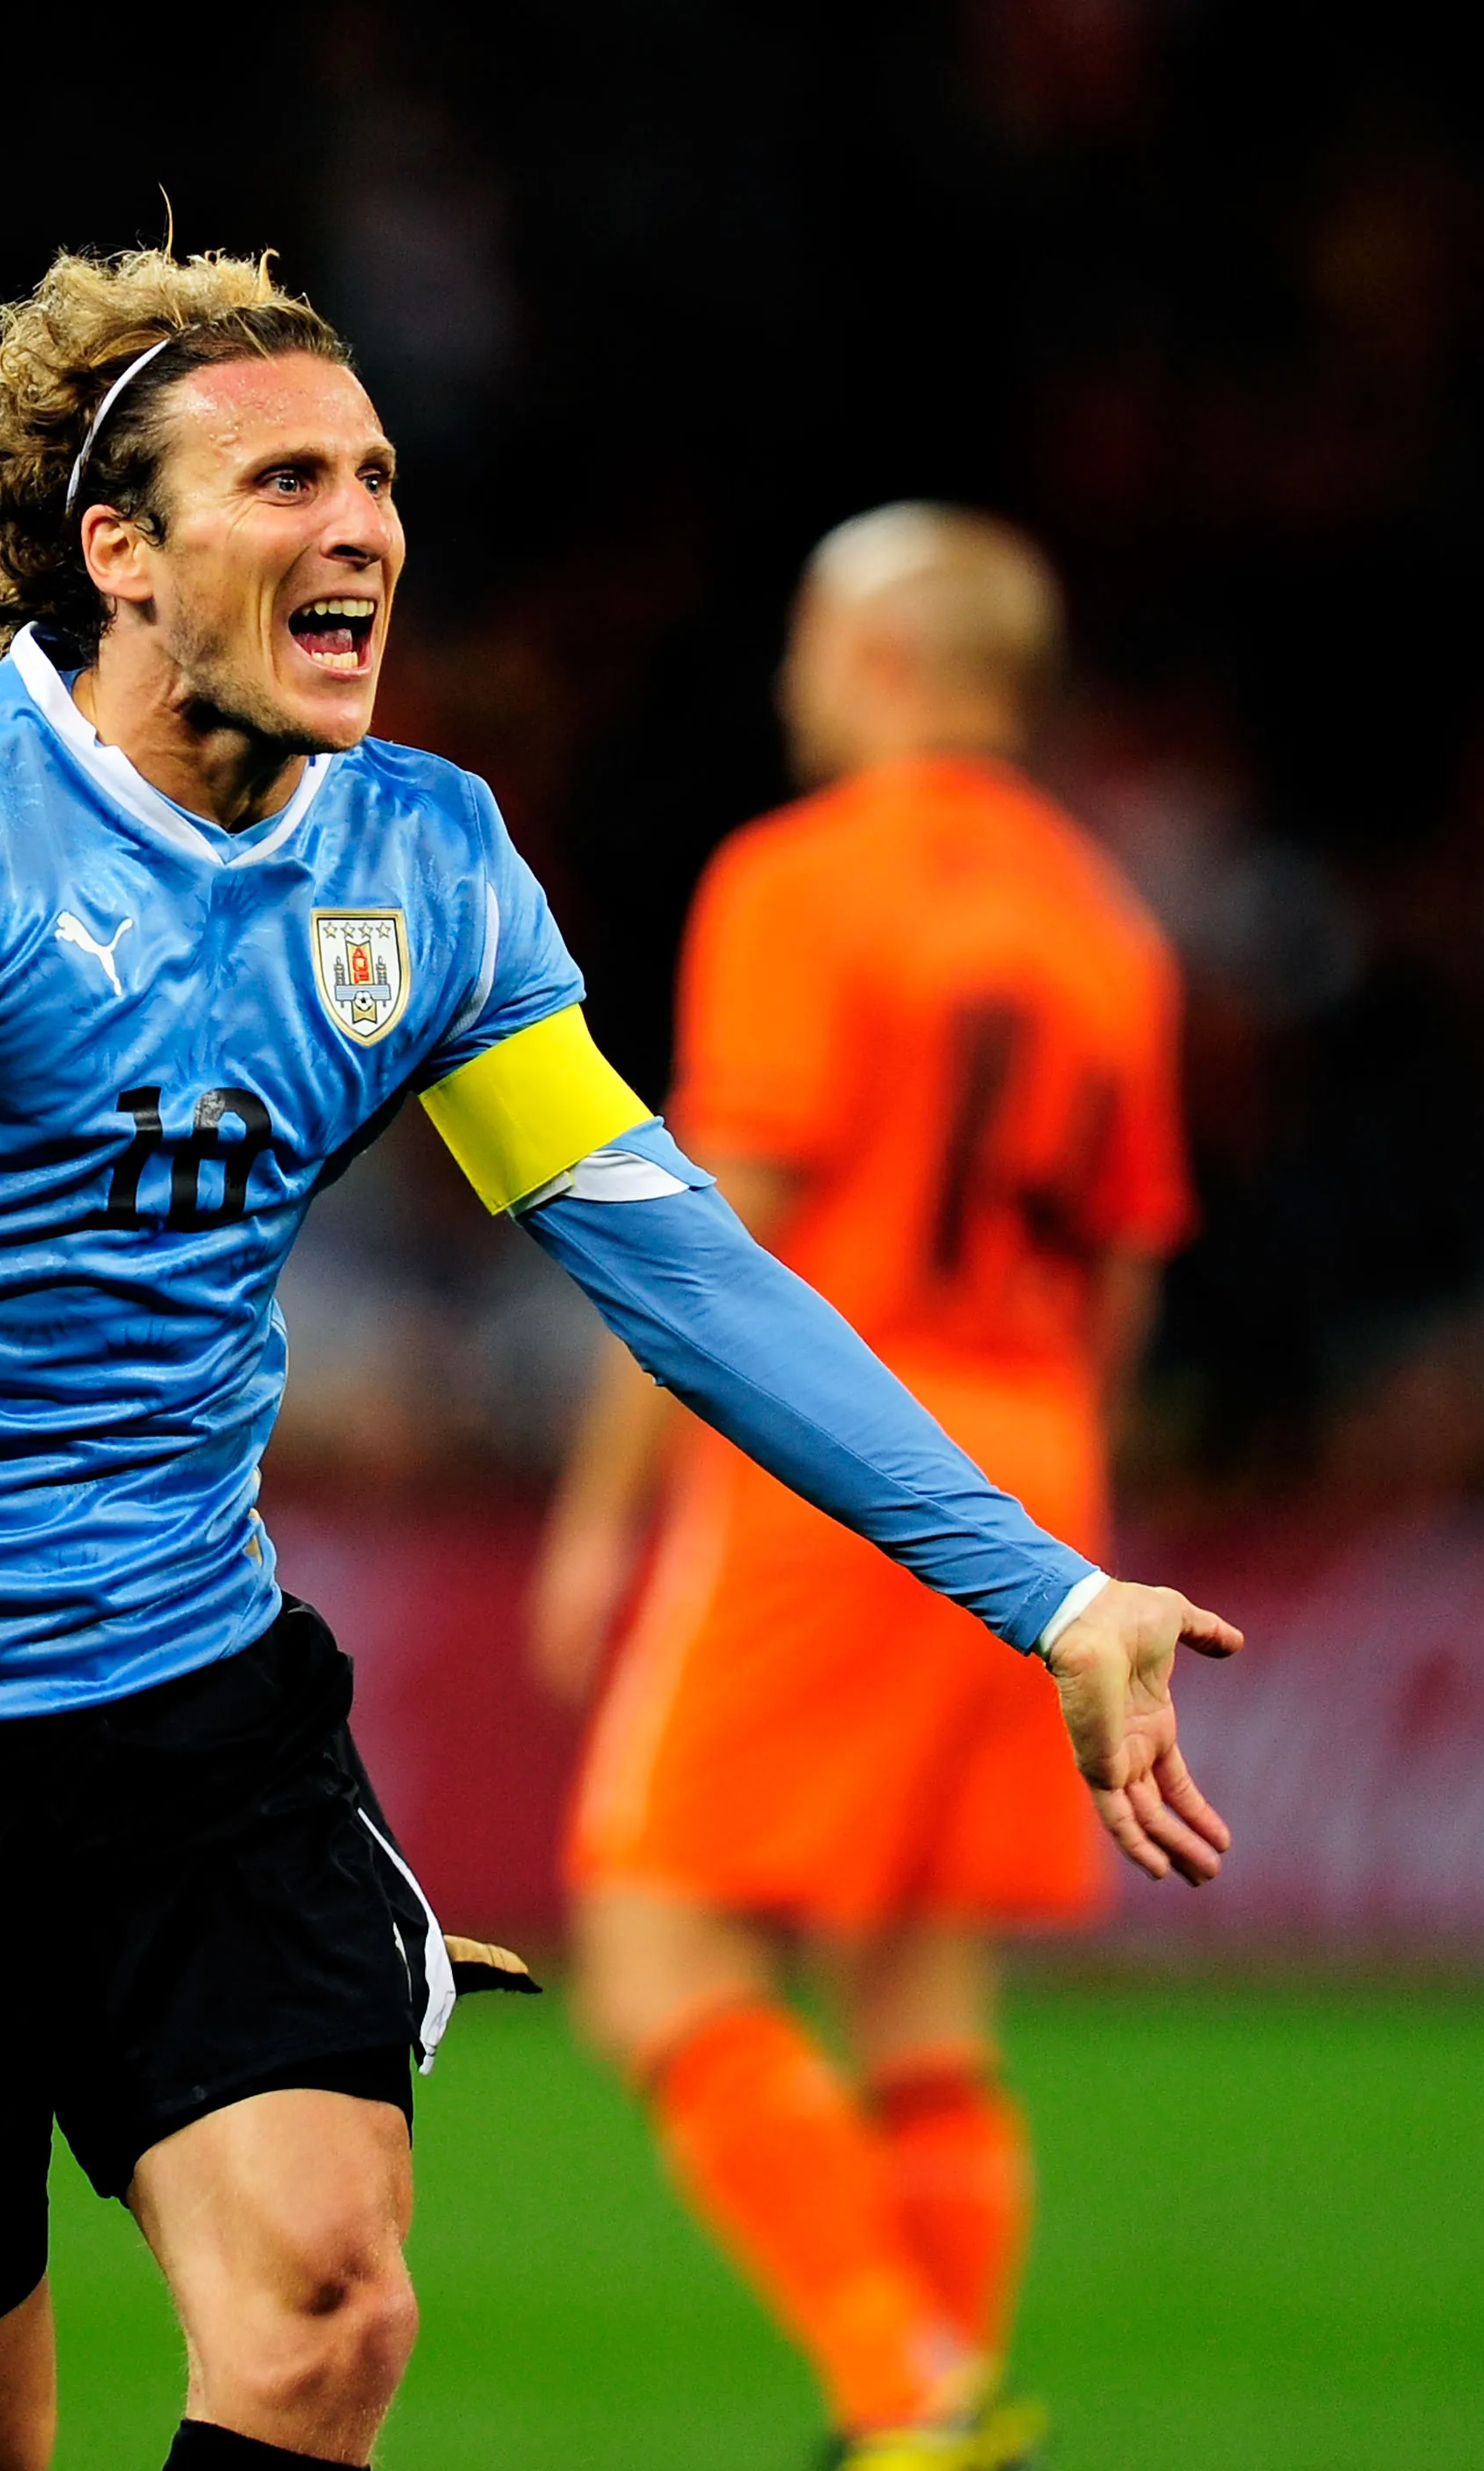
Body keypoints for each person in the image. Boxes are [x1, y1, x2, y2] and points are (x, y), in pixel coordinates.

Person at [0, 244, 1240, 2471]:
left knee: (329, 2306)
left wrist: (1048, 1591)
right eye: (285, 479)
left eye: (379, 479)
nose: (362, 529)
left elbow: (676, 1264)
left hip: (183, 1713)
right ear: (116, 551)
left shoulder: (427, 865)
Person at [525, 503, 1188, 2461]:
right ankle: (946, 2401)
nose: (789, 680)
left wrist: (594, 1516)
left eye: (811, 640)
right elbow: (1132, 1269)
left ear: (887, 658)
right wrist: (1073, 1536)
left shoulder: (800, 881)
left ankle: (905, 2394)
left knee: (646, 1939)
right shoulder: (1108, 920)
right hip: (1034, 1450)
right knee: (919, 1984)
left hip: (844, 1448)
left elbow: (715, 1236)